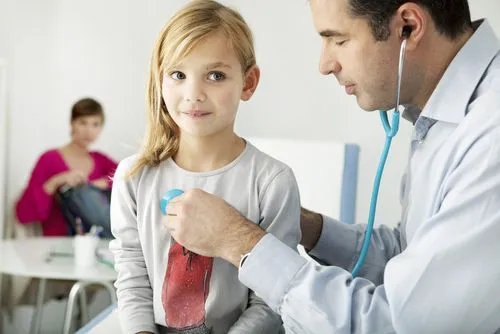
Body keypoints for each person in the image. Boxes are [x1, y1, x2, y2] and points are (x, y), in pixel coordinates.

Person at [163, 0, 500, 333]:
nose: (324, 64)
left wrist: (240, 242)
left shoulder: (491, 136)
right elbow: (412, 263)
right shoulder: (444, 122)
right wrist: (307, 227)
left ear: (408, 27)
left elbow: (398, 324)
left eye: (338, 40)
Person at [109, 1, 301, 334]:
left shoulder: (272, 183)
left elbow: (270, 301)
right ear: (160, 80)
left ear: (248, 82)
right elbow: (132, 279)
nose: (193, 94)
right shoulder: (133, 178)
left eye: (215, 76)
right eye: (178, 75)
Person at [15, 97, 117, 236]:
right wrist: (56, 181)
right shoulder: (49, 159)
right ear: (72, 123)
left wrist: (100, 183)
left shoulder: (101, 160)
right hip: (61, 241)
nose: (88, 131)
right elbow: (23, 214)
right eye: (83, 123)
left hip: (96, 245)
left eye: (95, 124)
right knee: (77, 192)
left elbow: (130, 178)